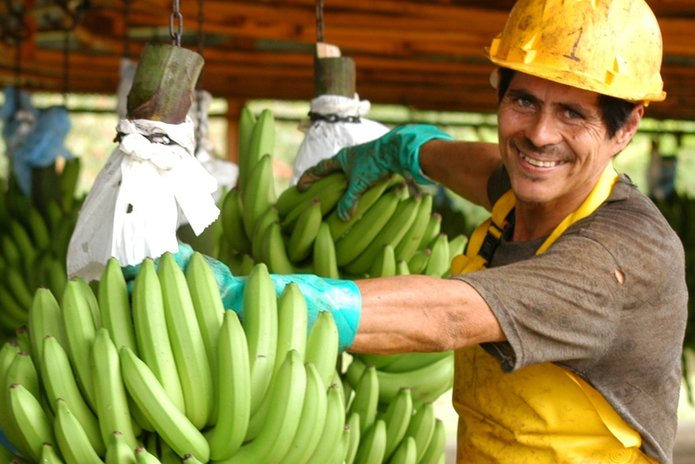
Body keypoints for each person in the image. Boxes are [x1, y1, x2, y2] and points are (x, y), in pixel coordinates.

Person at [293, 0, 688, 463]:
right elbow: (470, 164)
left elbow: (447, 317)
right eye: (524, 101)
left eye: (573, 114)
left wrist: (284, 300)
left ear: (626, 128)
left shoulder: (625, 256)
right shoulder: (524, 187)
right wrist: (403, 148)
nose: (539, 135)